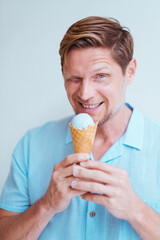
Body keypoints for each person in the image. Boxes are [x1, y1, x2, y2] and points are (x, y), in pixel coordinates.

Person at [0, 16, 160, 240]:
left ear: (130, 71)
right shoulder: (32, 145)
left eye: (101, 76)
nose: (85, 93)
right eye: (74, 78)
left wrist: (136, 211)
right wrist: (47, 205)